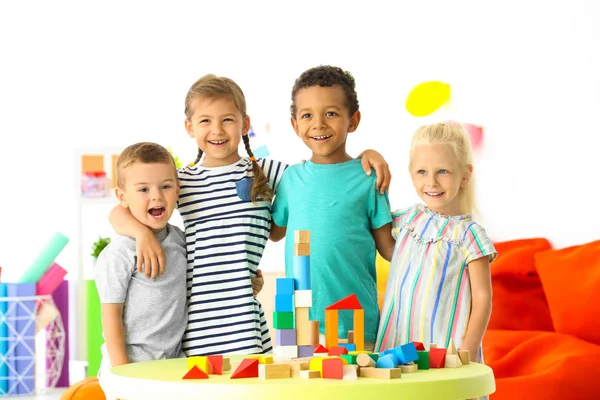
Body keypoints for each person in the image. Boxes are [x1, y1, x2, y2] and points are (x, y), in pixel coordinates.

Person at [108, 73, 392, 356]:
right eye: (205, 120)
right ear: (189, 127)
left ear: (245, 124)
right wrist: (142, 234)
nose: (217, 130)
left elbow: (322, 175)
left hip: (244, 318)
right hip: (194, 321)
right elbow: (120, 211)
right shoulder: (182, 181)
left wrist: (367, 155)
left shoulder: (269, 173)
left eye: (227, 119)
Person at [270, 65, 395, 351]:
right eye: (307, 115)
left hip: (354, 322)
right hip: (299, 324)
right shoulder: (291, 178)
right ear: (295, 125)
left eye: (331, 113)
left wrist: (433, 257)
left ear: (353, 120)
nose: (318, 124)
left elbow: (388, 248)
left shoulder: (369, 178)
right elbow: (275, 232)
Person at [374, 122, 497, 367]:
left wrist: (467, 354)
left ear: (465, 175)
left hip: (444, 353)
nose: (431, 182)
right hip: (396, 346)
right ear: (411, 173)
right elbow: (383, 241)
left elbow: (483, 298)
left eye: (442, 171)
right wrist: (370, 157)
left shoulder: (469, 235)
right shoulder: (407, 220)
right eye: (422, 172)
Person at [95, 142, 186, 398]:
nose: (156, 196)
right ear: (122, 197)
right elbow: (111, 316)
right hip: (129, 366)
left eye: (165, 186)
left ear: (177, 189)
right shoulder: (119, 254)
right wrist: (123, 374)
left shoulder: (181, 241)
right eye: (143, 189)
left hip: (171, 365)